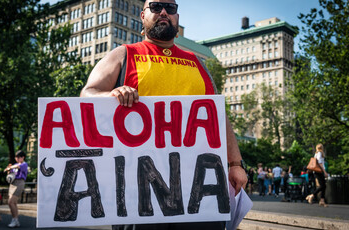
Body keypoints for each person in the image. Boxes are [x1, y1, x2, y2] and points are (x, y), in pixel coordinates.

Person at [80, 1, 247, 229]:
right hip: (139, 192)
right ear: (143, 15)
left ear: (177, 16)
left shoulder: (197, 62)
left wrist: (235, 163)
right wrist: (112, 95)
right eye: (156, 6)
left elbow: (218, 115)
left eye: (170, 7)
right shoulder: (123, 54)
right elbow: (87, 94)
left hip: (198, 192)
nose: (164, 12)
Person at [4, 150, 28, 228]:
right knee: (13, 203)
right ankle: (15, 220)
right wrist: (8, 169)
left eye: (19, 157)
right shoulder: (14, 164)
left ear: (23, 157)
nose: (17, 158)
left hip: (19, 183)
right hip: (13, 183)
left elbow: (18, 167)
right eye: (16, 157)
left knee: (11, 202)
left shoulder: (24, 164)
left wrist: (10, 167)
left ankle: (15, 219)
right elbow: (10, 173)